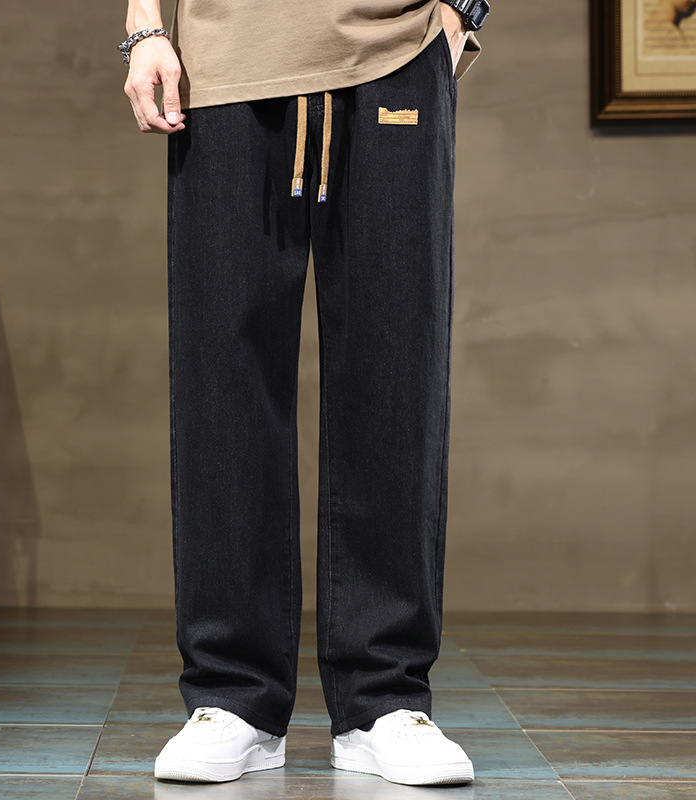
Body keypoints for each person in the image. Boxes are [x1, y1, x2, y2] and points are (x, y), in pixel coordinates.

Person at [122, 0, 487, 786]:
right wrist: (146, 27)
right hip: (224, 64)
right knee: (223, 378)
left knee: (396, 370)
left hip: (396, 49)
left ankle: (385, 698)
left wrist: (463, 11)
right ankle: (233, 698)